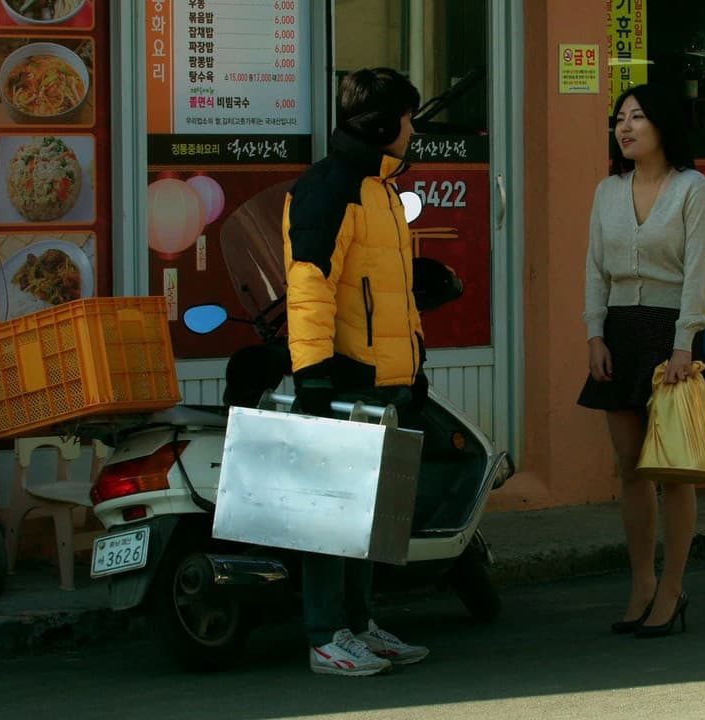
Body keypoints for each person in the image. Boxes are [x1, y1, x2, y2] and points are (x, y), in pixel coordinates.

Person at [283, 67, 431, 676]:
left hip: (386, 377)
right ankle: (326, 636)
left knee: (371, 514)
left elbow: (393, 290)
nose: (413, 129)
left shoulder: (383, 188)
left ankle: (360, 625)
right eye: (407, 118)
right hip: (345, 377)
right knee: (331, 514)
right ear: (381, 123)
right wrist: (313, 374)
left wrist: (414, 361)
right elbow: (310, 285)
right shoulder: (330, 185)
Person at [577, 83, 705, 639]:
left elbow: (699, 272)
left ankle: (674, 586)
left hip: (671, 334)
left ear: (662, 125)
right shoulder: (607, 191)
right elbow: (594, 268)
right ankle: (641, 583)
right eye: (619, 119)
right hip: (618, 333)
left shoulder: (692, 188)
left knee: (673, 468)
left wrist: (684, 343)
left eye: (636, 116)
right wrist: (594, 334)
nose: (625, 127)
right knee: (630, 466)